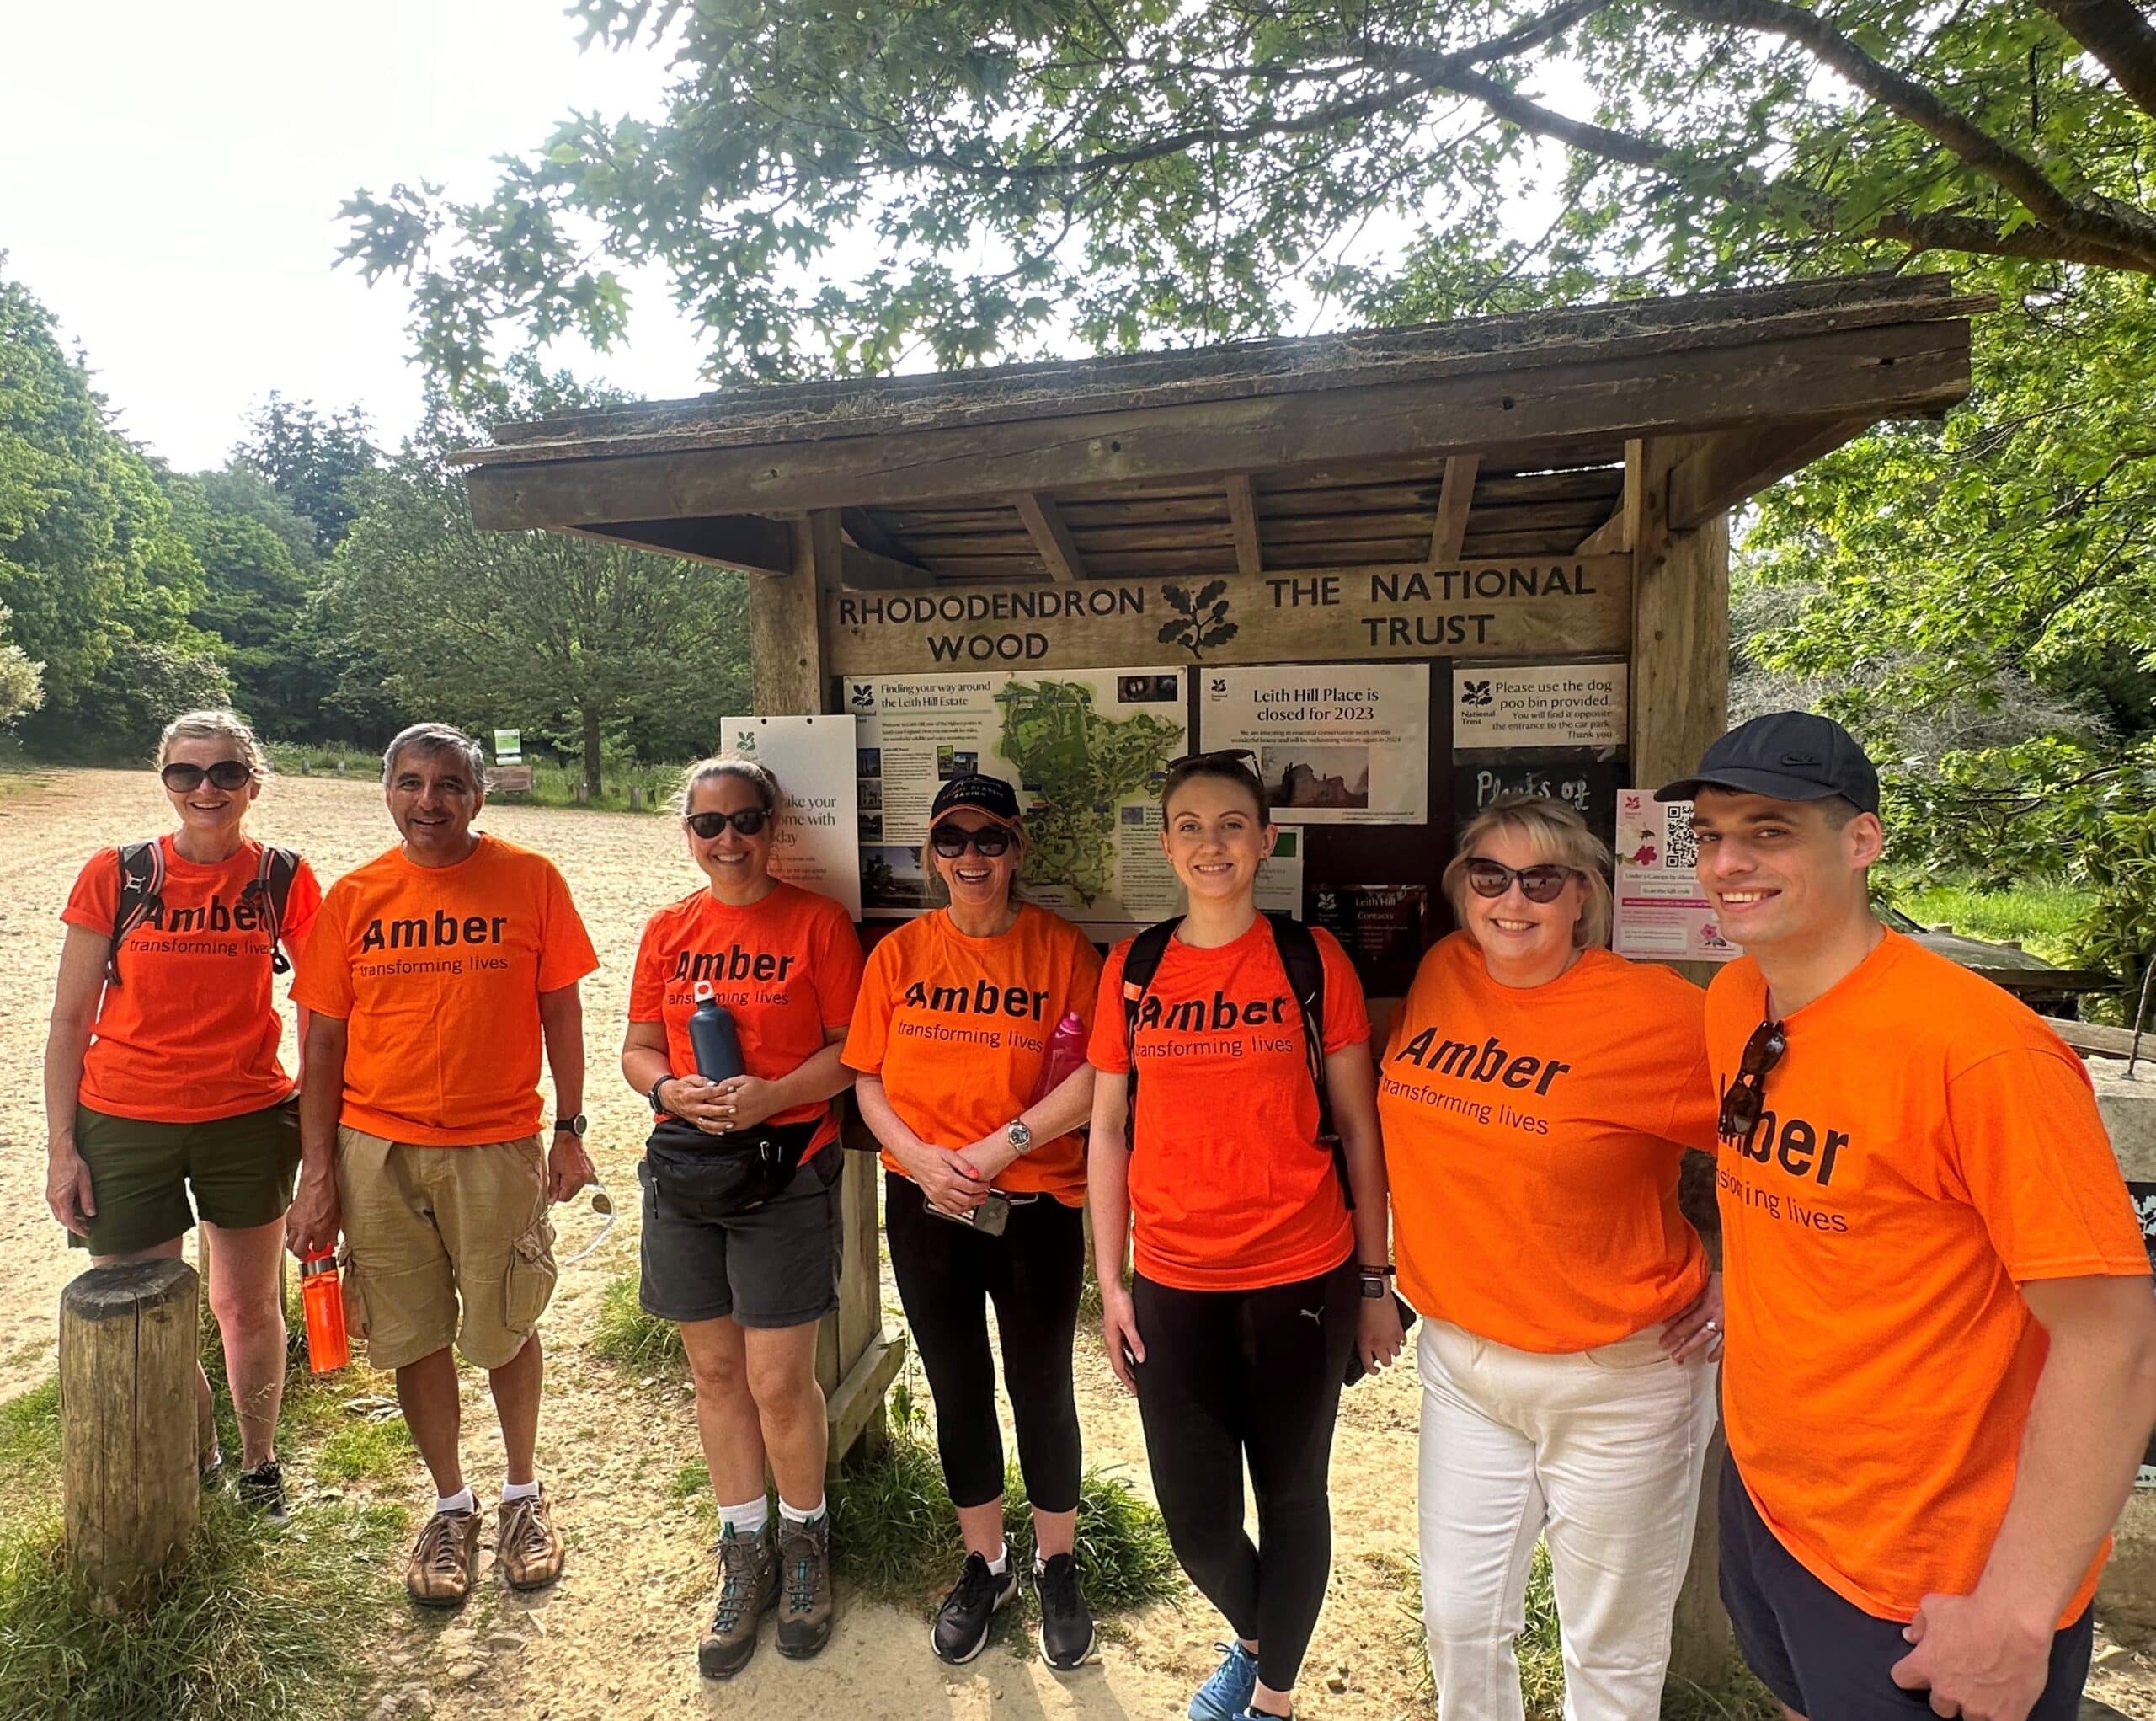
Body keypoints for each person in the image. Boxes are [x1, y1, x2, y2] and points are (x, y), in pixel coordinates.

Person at [1664, 711, 2156, 1721]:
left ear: (1861, 841)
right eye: (1709, 834)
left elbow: (2113, 1340)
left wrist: (2016, 1612)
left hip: (1931, 1573)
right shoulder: (1736, 998)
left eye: (1768, 831)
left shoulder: (1982, 1053)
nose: (1726, 863)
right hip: (1776, 1508)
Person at [1376, 793, 1722, 1720]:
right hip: (1462, 1362)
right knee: (1456, 1620)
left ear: (1583, 897)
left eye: (1541, 879)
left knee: (1606, 1652)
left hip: (1618, 1378)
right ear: (1462, 891)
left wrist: (1739, 1280)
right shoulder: (1447, 970)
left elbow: (1793, 1151)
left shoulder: (1661, 1015)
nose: (1511, 900)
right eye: (1489, 876)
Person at [1088, 750, 1401, 1721]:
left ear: (1267, 840)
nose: (1210, 842)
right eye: (1189, 824)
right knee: (1195, 1521)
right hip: (1174, 1278)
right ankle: (1263, 1634)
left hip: (1300, 1274)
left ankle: (1269, 1698)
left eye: (1231, 823)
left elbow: (1358, 1128)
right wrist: (1112, 1284)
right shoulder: (1136, 968)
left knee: (1293, 1493)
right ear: (1166, 843)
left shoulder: (1310, 961)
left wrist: (1374, 1283)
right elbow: (1105, 1128)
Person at [286, 723, 598, 1609]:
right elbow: (322, 1048)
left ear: (478, 795)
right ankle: (451, 1504)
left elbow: (562, 1013)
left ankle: (523, 1495)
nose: (431, 802)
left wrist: (569, 1129)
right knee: (410, 1330)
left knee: (505, 1324)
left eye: (451, 784)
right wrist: (319, 1178)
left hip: (495, 1144)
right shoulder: (354, 898)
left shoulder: (531, 881)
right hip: (376, 1149)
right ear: (386, 790)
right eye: (412, 783)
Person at [845, 774, 1103, 1670]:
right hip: (923, 1206)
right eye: (951, 841)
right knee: (957, 1383)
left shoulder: (1063, 951)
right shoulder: (901, 954)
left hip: (1033, 1205)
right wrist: (918, 1160)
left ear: (1017, 849)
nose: (971, 858)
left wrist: (999, 1149)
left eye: (989, 839)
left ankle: (1058, 1564)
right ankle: (985, 1563)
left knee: (1041, 1387)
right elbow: (865, 1077)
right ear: (931, 854)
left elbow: (1098, 1076)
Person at [42, 709, 323, 1520]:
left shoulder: (281, 878)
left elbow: (326, 1006)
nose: (206, 788)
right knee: (137, 1302)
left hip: (247, 1115)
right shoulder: (119, 874)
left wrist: (316, 1121)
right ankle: (195, 1449)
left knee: (244, 1303)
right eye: (186, 773)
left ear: (253, 782)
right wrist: (63, 1148)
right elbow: (67, 1022)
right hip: (123, 1119)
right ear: (164, 781)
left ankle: (260, 1464)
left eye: (226, 772)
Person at [621, 756, 864, 1677]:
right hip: (688, 1173)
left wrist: (772, 1099)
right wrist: (671, 1088)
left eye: (745, 821)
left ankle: (806, 1543)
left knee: (775, 1378)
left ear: (773, 827)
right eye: (709, 824)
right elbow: (639, 1048)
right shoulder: (669, 930)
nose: (729, 841)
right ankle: (743, 1549)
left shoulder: (815, 923)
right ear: (687, 832)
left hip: (784, 1170)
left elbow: (849, 1054)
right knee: (714, 1371)